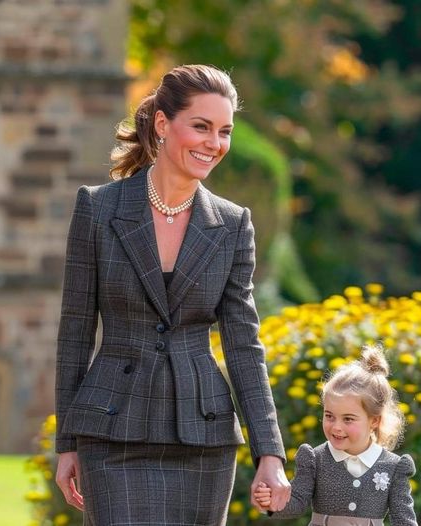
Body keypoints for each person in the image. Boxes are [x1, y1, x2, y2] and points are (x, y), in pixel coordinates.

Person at [54, 64, 290, 525]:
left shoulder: (233, 224)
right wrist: (66, 442)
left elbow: (244, 344)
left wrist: (270, 453)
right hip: (110, 430)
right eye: (200, 126)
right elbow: (75, 332)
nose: (214, 143)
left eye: (224, 131)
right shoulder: (98, 209)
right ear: (163, 124)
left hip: (203, 437)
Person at [254, 344, 418, 526]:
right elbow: (297, 502)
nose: (336, 427)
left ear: (374, 421)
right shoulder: (314, 459)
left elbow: (404, 519)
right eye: (329, 416)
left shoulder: (394, 467)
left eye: (348, 419)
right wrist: (271, 502)